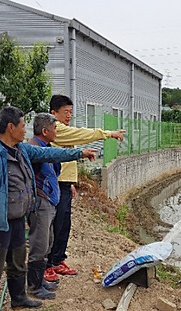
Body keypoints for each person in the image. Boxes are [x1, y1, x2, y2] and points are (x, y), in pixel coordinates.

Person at [0, 106, 96, 311]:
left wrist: (79, 153)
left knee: (18, 261)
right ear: (11, 127)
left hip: (18, 218)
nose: (24, 130)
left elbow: (49, 153)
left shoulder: (21, 150)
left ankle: (19, 298)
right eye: (21, 125)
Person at [46, 95, 125, 280]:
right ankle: (48, 264)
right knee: (55, 225)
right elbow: (80, 135)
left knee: (65, 224)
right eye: (66, 112)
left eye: (71, 112)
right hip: (55, 183)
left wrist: (71, 183)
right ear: (53, 113)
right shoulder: (55, 129)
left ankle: (57, 260)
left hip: (64, 183)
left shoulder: (61, 130)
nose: (69, 116)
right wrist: (107, 134)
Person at [26, 113, 97, 299]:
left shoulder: (46, 146)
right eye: (54, 128)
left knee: (47, 243)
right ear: (44, 131)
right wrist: (80, 153)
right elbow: (56, 155)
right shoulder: (35, 148)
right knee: (39, 245)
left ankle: (40, 280)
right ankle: (34, 286)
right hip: (40, 203)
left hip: (49, 203)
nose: (57, 132)